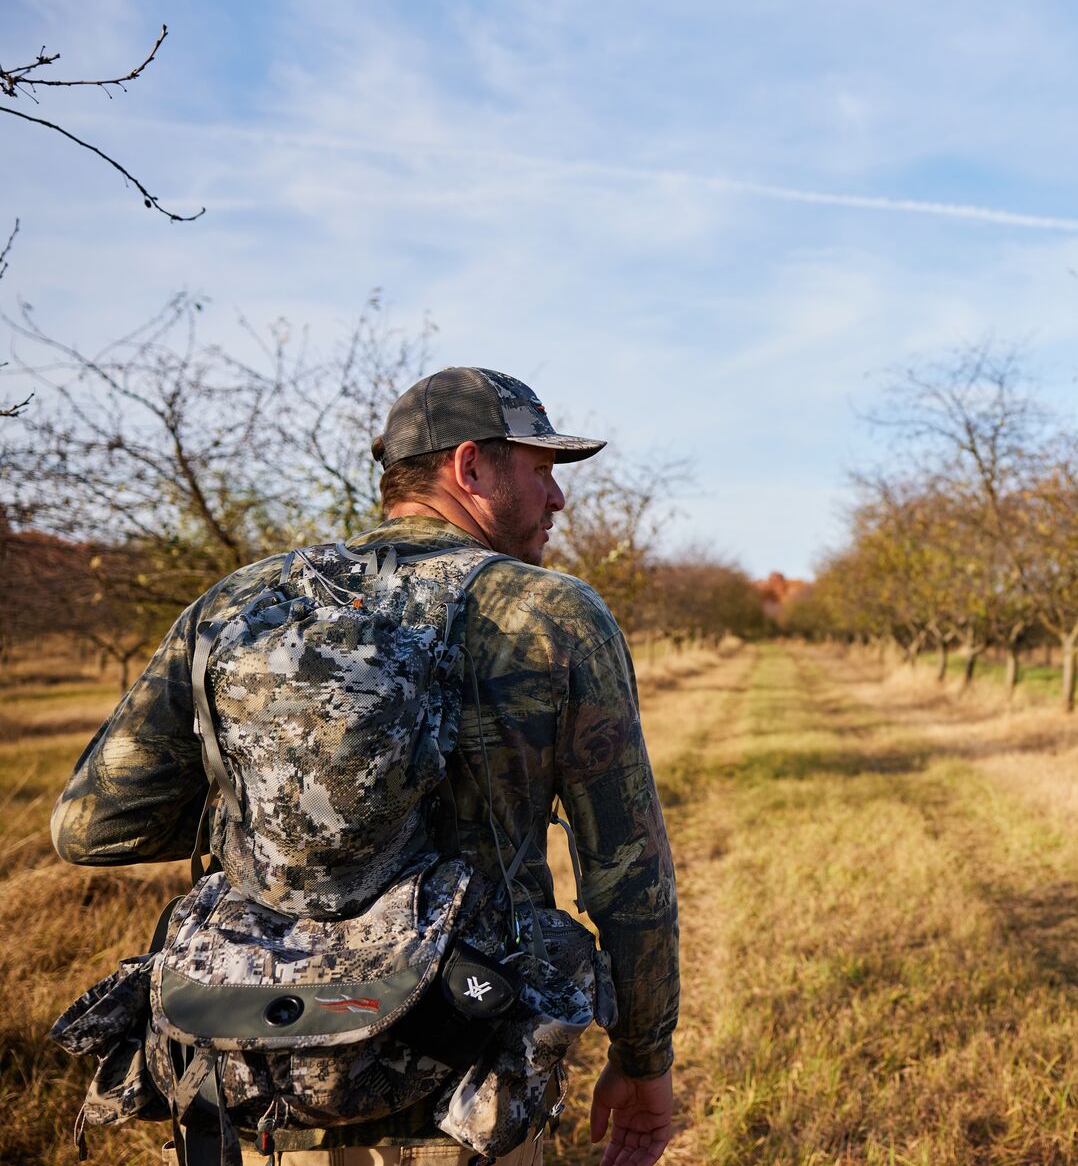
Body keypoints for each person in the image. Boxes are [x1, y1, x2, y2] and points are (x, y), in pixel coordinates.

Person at [51, 366, 679, 1166]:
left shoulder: (237, 603)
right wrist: (644, 1059)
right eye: (543, 472)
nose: (558, 499)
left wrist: (268, 799)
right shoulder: (553, 615)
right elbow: (630, 877)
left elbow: (87, 826)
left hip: (264, 1088)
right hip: (465, 1089)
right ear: (470, 467)